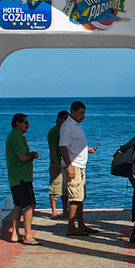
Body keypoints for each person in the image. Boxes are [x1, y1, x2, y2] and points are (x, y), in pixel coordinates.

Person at [59, 101, 98, 236]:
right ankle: (71, 226)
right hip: (73, 166)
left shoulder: (77, 125)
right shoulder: (67, 126)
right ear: (73, 112)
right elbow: (63, 146)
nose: (83, 116)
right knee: (74, 197)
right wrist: (69, 166)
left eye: (84, 113)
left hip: (81, 166)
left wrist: (87, 150)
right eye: (81, 113)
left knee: (80, 196)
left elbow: (75, 146)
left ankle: (81, 224)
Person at [6, 113, 40, 245]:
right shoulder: (15, 137)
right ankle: (28, 235)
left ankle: (15, 233)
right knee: (29, 205)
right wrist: (33, 155)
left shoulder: (16, 136)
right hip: (21, 178)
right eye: (25, 122)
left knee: (18, 205)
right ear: (17, 123)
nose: (28, 125)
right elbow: (22, 157)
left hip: (16, 177)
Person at [47, 110, 70, 219]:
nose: (66, 120)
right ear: (59, 118)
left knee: (65, 188)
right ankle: (54, 211)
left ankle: (65, 210)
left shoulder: (65, 131)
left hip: (65, 163)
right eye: (64, 118)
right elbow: (52, 149)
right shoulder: (54, 131)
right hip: (57, 163)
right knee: (55, 187)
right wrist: (56, 163)